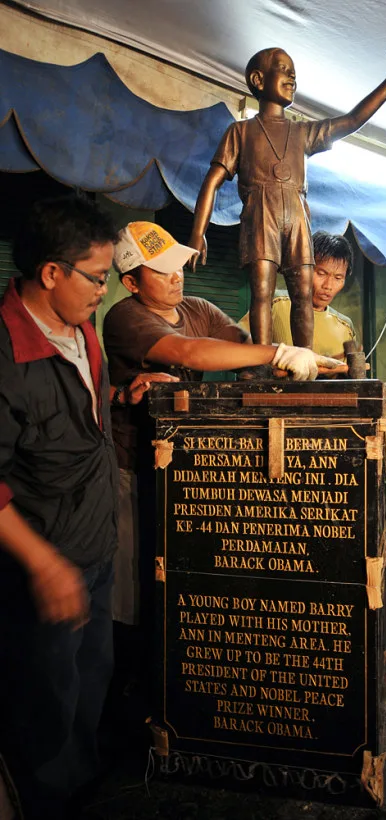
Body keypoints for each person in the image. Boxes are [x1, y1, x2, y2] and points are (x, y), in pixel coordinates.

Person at [103, 220, 342, 627]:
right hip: (131, 464)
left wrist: (295, 365)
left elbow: (243, 349)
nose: (176, 276)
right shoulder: (125, 318)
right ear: (131, 282)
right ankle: (129, 676)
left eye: (177, 265)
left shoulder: (197, 309)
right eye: (161, 270)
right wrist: (277, 353)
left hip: (180, 465)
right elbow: (191, 353)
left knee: (179, 574)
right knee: (133, 582)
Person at [0, 194, 125, 820]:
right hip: (43, 566)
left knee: (89, 684)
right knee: (43, 703)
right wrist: (44, 565)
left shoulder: (80, 329)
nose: (104, 291)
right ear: (52, 272)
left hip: (94, 547)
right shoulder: (5, 352)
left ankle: (81, 793)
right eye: (97, 278)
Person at [188, 45, 386, 349]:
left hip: (297, 215)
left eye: (294, 71)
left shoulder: (302, 132)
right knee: (262, 292)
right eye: (283, 68)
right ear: (258, 79)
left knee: (302, 293)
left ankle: (305, 360)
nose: (292, 75)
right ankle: (264, 360)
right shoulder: (240, 132)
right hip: (260, 213)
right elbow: (211, 181)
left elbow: (352, 120)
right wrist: (198, 233)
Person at [239, 230, 356, 358]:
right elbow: (239, 347)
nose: (328, 286)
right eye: (321, 274)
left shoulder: (345, 327)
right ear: (305, 269)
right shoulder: (275, 303)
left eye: (338, 278)